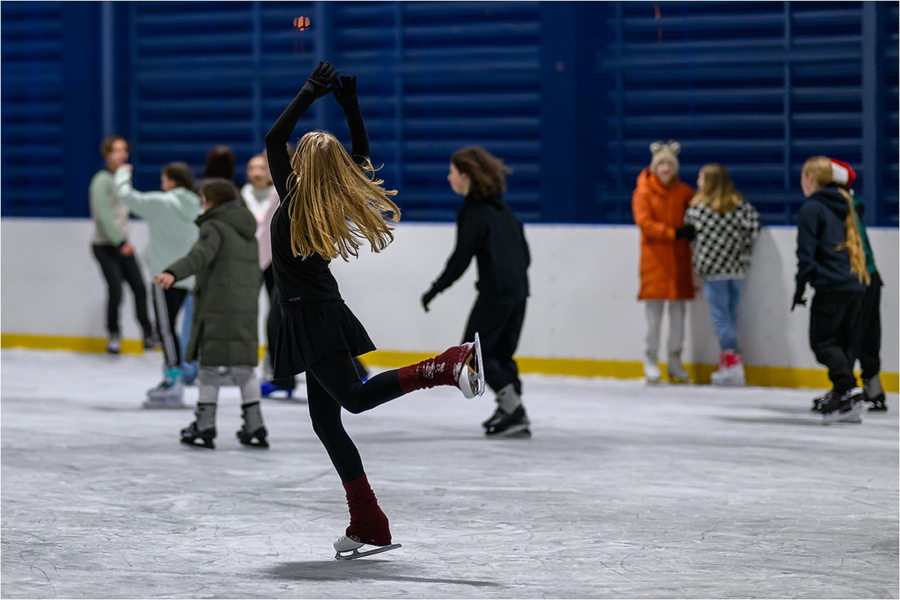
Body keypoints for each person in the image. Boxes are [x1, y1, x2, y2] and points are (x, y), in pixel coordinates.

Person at [265, 62, 484, 558]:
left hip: (310, 316)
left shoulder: (295, 199)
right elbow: (359, 156)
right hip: (319, 312)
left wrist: (309, 92)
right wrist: (351, 108)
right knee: (326, 423)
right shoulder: (330, 199)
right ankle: (368, 521)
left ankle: (443, 366)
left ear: (302, 164)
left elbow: (273, 137)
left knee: (354, 400)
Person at [420, 146, 532, 438]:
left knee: (471, 356)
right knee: (500, 355)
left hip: (496, 294)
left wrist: (435, 289)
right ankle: (510, 409)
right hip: (519, 292)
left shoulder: (473, 212)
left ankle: (513, 409)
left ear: (465, 177)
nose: (449, 178)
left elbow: (460, 259)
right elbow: (525, 255)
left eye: (452, 172)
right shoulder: (504, 211)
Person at [155, 179, 268, 448]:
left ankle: (204, 425)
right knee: (244, 368)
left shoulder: (214, 226)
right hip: (245, 307)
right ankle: (255, 425)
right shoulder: (247, 231)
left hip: (217, 307)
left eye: (203, 200)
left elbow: (199, 256)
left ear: (212, 202)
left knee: (208, 367)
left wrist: (173, 272)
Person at [115, 161, 202, 408]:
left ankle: (173, 377)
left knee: (165, 328)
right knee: (173, 328)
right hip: (189, 276)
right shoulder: (197, 205)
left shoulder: (161, 203)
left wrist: (122, 173)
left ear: (171, 182)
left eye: (163, 180)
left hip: (164, 277)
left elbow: (126, 196)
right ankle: (173, 374)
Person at [792, 156, 869, 424]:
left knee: (822, 341)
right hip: (855, 283)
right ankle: (841, 394)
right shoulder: (847, 204)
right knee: (841, 342)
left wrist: (800, 286)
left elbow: (806, 253)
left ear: (811, 179)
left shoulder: (811, 209)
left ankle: (848, 390)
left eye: (803, 177)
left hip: (832, 285)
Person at [684, 164, 760, 386]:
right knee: (730, 316)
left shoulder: (698, 210)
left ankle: (731, 363)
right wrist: (741, 250)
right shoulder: (739, 206)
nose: (697, 182)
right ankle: (730, 363)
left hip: (713, 269)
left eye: (701, 178)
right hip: (737, 268)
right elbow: (753, 228)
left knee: (720, 318)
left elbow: (691, 237)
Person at [822, 160, 886, 412]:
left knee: (849, 335)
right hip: (870, 275)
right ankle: (872, 387)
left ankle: (845, 389)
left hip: (857, 278)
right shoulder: (850, 203)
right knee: (868, 333)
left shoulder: (838, 207)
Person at [632, 140, 695, 384]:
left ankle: (675, 360)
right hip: (655, 262)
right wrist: (673, 233)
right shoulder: (643, 193)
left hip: (678, 261)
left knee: (678, 316)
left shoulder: (684, 192)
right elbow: (645, 224)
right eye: (661, 164)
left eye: (670, 164)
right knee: (654, 318)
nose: (666, 168)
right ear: (654, 167)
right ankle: (651, 359)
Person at [89, 134, 155, 354]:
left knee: (139, 287)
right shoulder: (102, 180)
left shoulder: (122, 179)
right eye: (116, 151)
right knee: (116, 289)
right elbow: (103, 215)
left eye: (124, 150)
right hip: (105, 245)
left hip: (122, 243)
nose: (121, 155)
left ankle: (148, 333)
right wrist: (119, 242)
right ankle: (114, 334)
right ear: (107, 154)